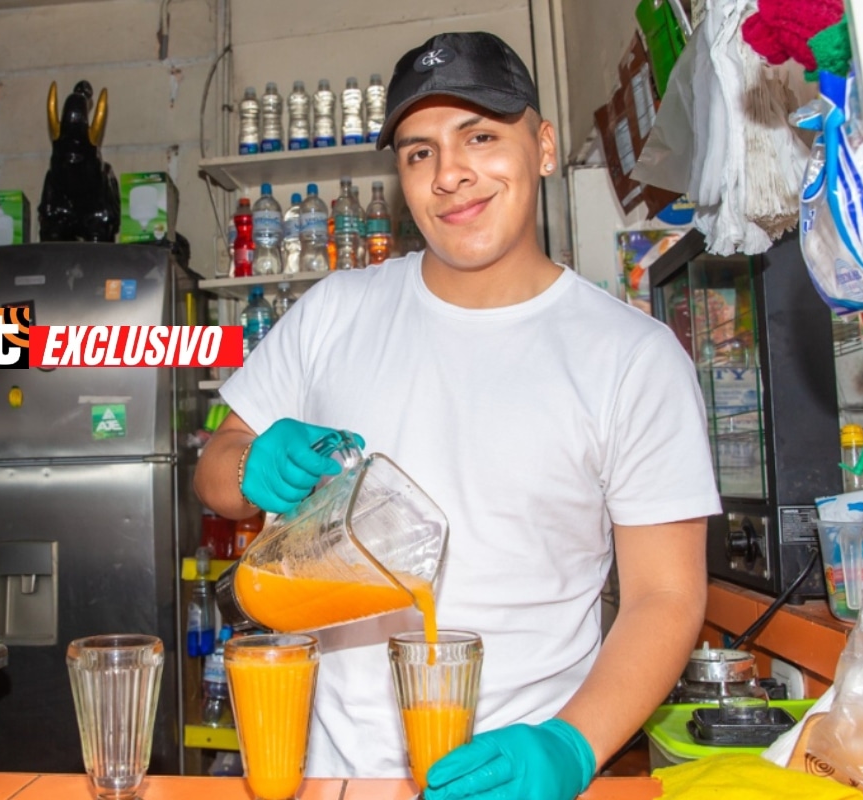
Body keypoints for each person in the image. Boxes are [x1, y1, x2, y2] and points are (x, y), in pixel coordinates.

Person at [195, 31, 721, 799]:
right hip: (329, 773)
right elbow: (216, 470)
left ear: (542, 147)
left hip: (517, 770)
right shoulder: (335, 311)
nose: (450, 176)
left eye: (480, 136)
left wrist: (571, 748)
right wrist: (252, 465)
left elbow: (665, 596)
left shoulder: (632, 360)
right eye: (418, 153)